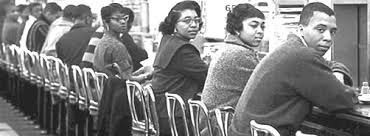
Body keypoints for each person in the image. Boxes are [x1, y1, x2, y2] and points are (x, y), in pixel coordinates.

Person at [228, 2, 357, 136]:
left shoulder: (290, 48)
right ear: (301, 29)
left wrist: (338, 72)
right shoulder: (302, 55)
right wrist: (339, 84)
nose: (328, 38)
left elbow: (326, 64)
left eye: (333, 32)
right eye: (320, 29)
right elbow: (344, 101)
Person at [200, 3, 265, 136]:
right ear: (236, 29)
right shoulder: (240, 54)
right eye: (254, 25)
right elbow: (269, 89)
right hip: (223, 127)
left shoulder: (227, 48)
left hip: (211, 125)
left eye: (262, 26)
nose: (260, 31)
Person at [151, 1, 208, 136]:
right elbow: (208, 77)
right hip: (177, 119)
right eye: (187, 21)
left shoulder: (167, 40)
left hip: (163, 113)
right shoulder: (183, 49)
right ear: (174, 25)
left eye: (197, 20)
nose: (194, 25)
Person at [93, 4, 147, 82]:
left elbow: (124, 75)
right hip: (118, 91)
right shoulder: (117, 46)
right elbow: (128, 80)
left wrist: (141, 71)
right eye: (117, 19)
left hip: (105, 89)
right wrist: (147, 75)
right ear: (106, 23)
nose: (123, 22)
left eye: (125, 18)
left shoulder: (102, 42)